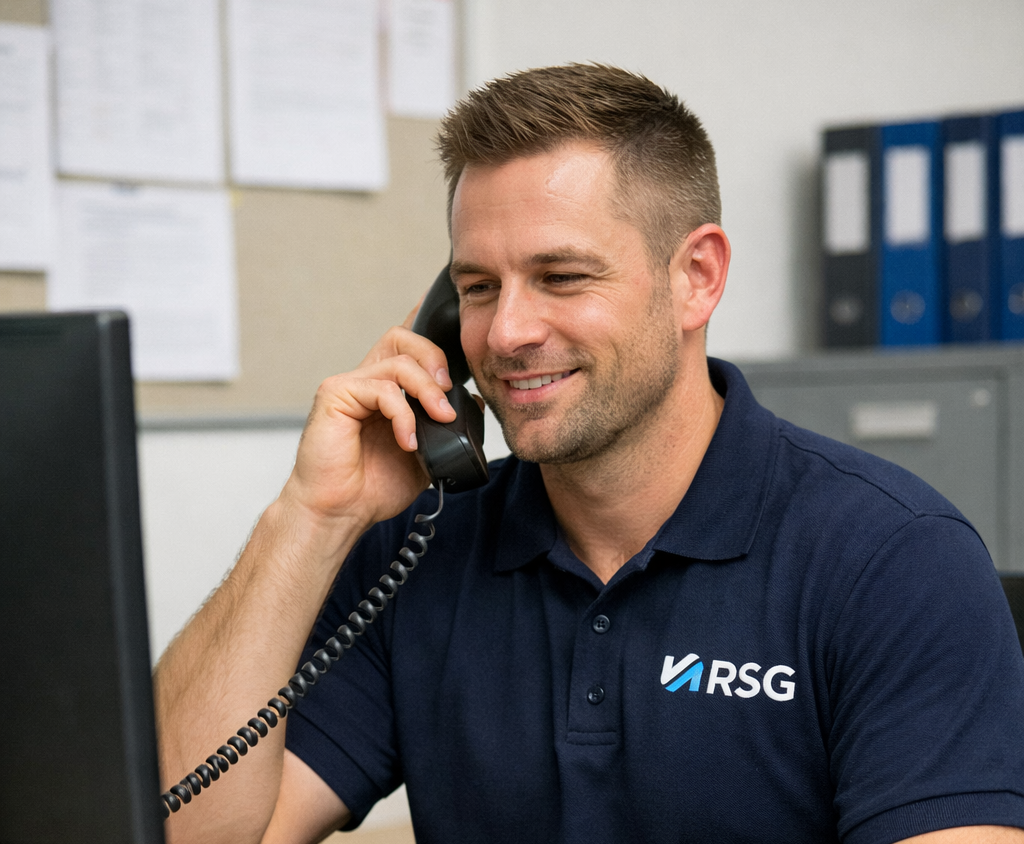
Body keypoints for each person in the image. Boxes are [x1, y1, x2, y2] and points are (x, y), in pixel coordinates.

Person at [154, 65, 1024, 844]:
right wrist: (310, 519)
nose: (508, 332)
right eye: (477, 289)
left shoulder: (894, 558)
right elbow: (191, 831)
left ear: (697, 277)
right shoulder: (418, 548)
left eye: (563, 277)